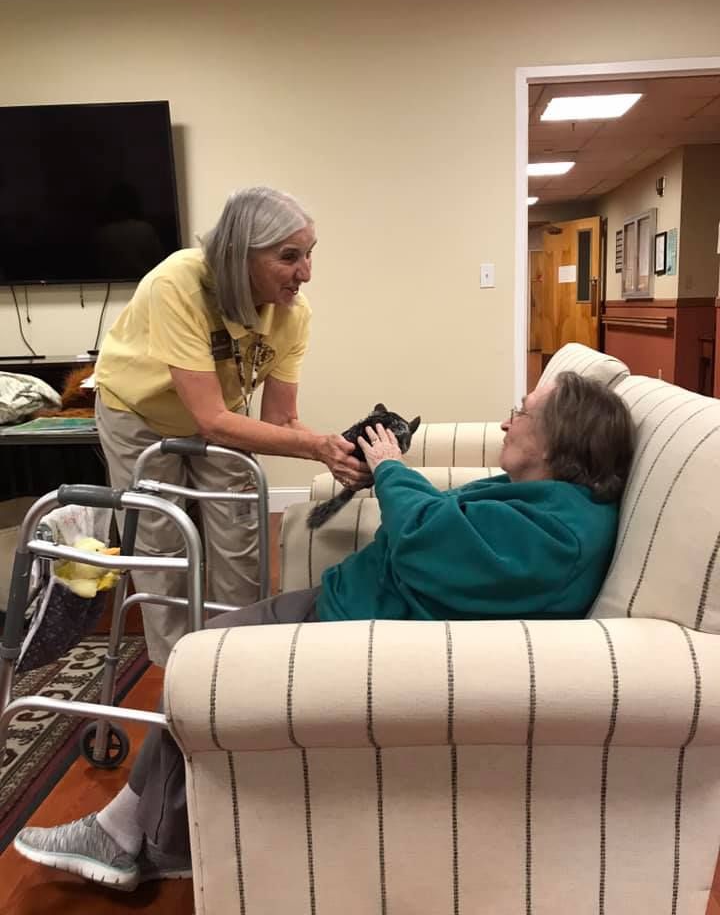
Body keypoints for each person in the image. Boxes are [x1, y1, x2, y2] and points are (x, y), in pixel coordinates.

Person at [14, 371, 635, 891]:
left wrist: (392, 471)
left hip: (361, 632)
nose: (505, 423)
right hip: (357, 607)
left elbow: (427, 542)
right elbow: (452, 532)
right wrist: (386, 476)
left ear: (559, 437)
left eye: (519, 413)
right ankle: (155, 833)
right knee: (202, 654)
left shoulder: (561, 534)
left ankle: (123, 834)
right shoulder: (553, 502)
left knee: (199, 661)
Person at [93, 186, 367, 667]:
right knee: (161, 544)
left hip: (220, 416)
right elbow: (210, 420)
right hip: (139, 412)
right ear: (240, 254)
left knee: (239, 539)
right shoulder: (177, 282)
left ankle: (234, 663)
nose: (306, 273)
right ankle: (179, 670)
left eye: (309, 254)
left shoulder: (293, 313)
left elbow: (280, 420)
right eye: (289, 257)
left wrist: (335, 451)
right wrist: (317, 448)